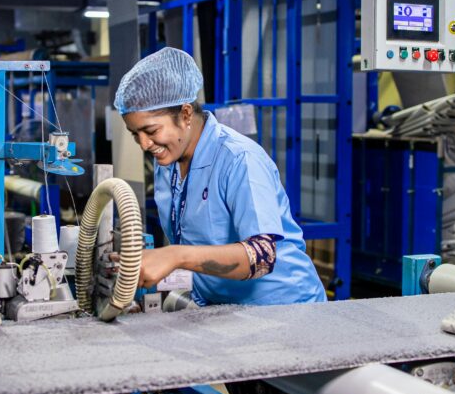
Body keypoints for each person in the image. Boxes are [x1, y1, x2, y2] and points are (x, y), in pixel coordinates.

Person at [115, 47, 327, 306]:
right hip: (223, 310)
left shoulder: (239, 159)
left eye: (151, 130)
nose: (144, 144)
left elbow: (262, 257)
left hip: (283, 310)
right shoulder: (167, 164)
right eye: (135, 134)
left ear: (185, 114)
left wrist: (174, 256)